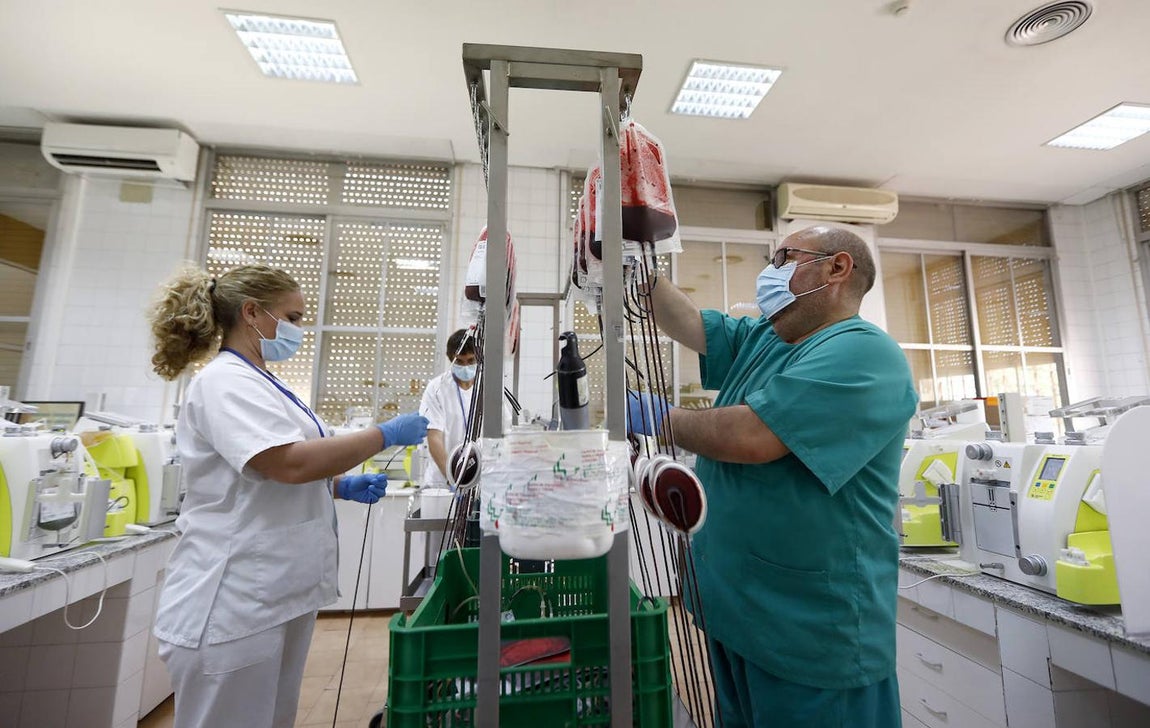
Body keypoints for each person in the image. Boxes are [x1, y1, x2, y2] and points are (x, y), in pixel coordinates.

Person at [631, 225, 917, 727]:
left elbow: (755, 436)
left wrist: (661, 419)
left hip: (809, 631)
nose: (769, 273)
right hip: (738, 612)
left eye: (783, 258)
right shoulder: (770, 337)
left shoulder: (864, 353)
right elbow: (692, 322)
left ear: (837, 267)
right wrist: (634, 264)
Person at [147, 264, 429, 728]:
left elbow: (262, 474)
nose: (300, 330)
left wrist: (339, 485)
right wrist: (383, 434)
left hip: (275, 591)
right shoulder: (224, 383)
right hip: (233, 598)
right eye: (293, 318)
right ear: (252, 312)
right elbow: (288, 462)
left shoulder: (264, 381)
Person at [418, 328, 478, 487]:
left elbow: (501, 435)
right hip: (442, 483)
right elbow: (434, 437)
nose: (465, 366)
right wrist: (453, 479)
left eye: (471, 360)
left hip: (478, 480)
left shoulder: (487, 388)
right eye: (459, 361)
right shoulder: (437, 388)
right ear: (451, 359)